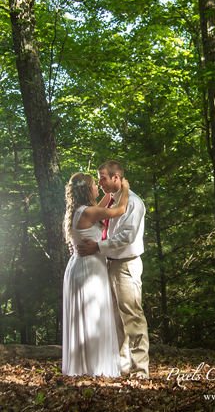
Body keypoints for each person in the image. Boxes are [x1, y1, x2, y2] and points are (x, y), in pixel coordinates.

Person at [76, 161, 149, 379]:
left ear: (116, 177)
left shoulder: (133, 202)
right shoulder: (112, 202)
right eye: (98, 179)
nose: (99, 182)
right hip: (109, 263)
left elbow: (127, 236)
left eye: (103, 178)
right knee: (116, 320)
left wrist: (98, 246)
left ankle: (140, 370)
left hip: (126, 265)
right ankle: (122, 367)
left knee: (132, 317)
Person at [62, 172, 129, 377]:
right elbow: (121, 209)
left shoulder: (78, 210)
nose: (97, 187)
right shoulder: (88, 212)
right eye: (94, 185)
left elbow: (101, 205)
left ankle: (87, 366)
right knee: (92, 315)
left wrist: (109, 193)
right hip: (88, 268)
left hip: (79, 266)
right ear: (86, 190)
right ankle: (93, 368)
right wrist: (124, 187)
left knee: (87, 315)